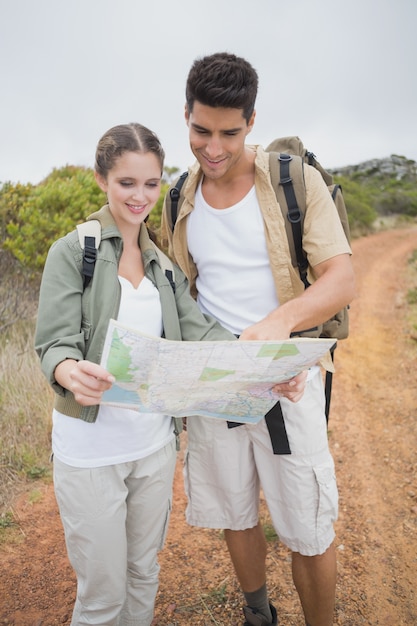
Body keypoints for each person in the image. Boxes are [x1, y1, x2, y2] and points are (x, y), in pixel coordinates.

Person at [35, 122, 263, 626]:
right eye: (127, 183)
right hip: (90, 451)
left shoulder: (163, 265)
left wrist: (268, 368)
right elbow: (53, 344)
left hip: (154, 447)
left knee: (143, 574)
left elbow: (205, 335)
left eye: (151, 184)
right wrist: (69, 371)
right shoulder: (73, 254)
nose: (140, 196)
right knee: (101, 597)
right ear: (101, 180)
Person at [161, 53, 356, 626]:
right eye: (200, 131)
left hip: (289, 381)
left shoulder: (295, 180)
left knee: (308, 525)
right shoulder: (179, 198)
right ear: (187, 117)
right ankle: (257, 614)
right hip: (217, 381)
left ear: (251, 120)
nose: (213, 148)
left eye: (229, 132)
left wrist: (280, 324)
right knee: (234, 509)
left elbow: (341, 278)